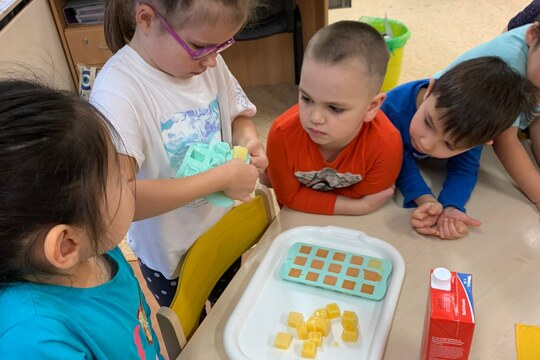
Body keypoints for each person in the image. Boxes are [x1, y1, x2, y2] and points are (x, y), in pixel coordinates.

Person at [90, 0, 268, 307]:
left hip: (221, 235)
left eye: (221, 46)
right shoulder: (118, 91)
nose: (211, 60)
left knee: (228, 311)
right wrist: (219, 178)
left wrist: (249, 142)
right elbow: (119, 200)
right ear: (146, 19)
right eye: (199, 46)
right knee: (191, 339)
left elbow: (238, 116)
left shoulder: (207, 62)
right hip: (171, 258)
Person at [0, 79, 163, 359]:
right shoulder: (34, 340)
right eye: (119, 178)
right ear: (66, 245)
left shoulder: (98, 246)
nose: (130, 180)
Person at [382, 56, 539, 240]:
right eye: (428, 122)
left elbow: (465, 167)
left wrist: (451, 206)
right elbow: (397, 158)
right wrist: (424, 198)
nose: (427, 143)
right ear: (430, 89)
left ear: (484, 142)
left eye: (449, 145)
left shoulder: (472, 132)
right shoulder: (391, 109)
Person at [265, 21, 402, 215]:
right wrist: (358, 207)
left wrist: (306, 197)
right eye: (306, 98)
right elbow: (288, 197)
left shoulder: (386, 143)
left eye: (335, 108)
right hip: (298, 224)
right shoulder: (281, 134)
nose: (316, 117)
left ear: (371, 107)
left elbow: (372, 195)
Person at [434, 21, 540, 214]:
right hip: (448, 128)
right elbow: (505, 141)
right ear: (532, 34)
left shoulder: (535, 61)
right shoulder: (509, 67)